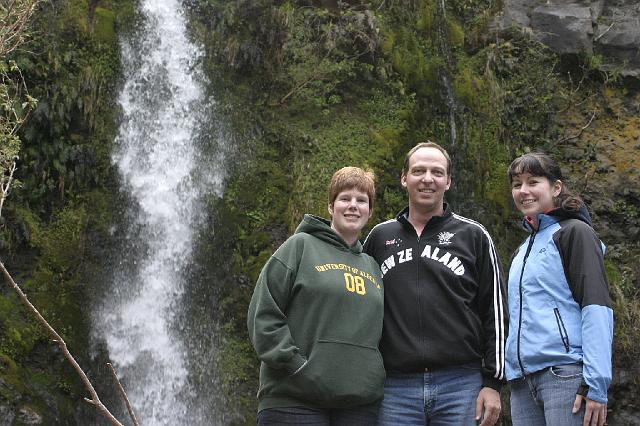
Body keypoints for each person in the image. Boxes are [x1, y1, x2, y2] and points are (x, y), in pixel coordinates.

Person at [363, 141, 507, 426]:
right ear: (404, 178)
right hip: (395, 387)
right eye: (419, 171)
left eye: (437, 172)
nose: (427, 179)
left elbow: (496, 312)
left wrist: (493, 381)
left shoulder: (474, 236)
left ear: (448, 181)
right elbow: (359, 308)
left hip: (462, 384)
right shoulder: (378, 238)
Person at [247, 166, 385, 425]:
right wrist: (296, 364)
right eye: (345, 198)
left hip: (358, 404)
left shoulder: (372, 266)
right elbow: (264, 313)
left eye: (361, 200)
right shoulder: (299, 247)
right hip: (294, 399)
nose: (353, 206)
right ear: (331, 207)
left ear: (370, 211)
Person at [505, 152, 613, 426]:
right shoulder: (523, 248)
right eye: (517, 184)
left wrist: (595, 384)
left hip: (564, 376)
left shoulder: (575, 232)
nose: (524, 191)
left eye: (533, 181)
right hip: (521, 382)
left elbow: (596, 306)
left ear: (556, 187)